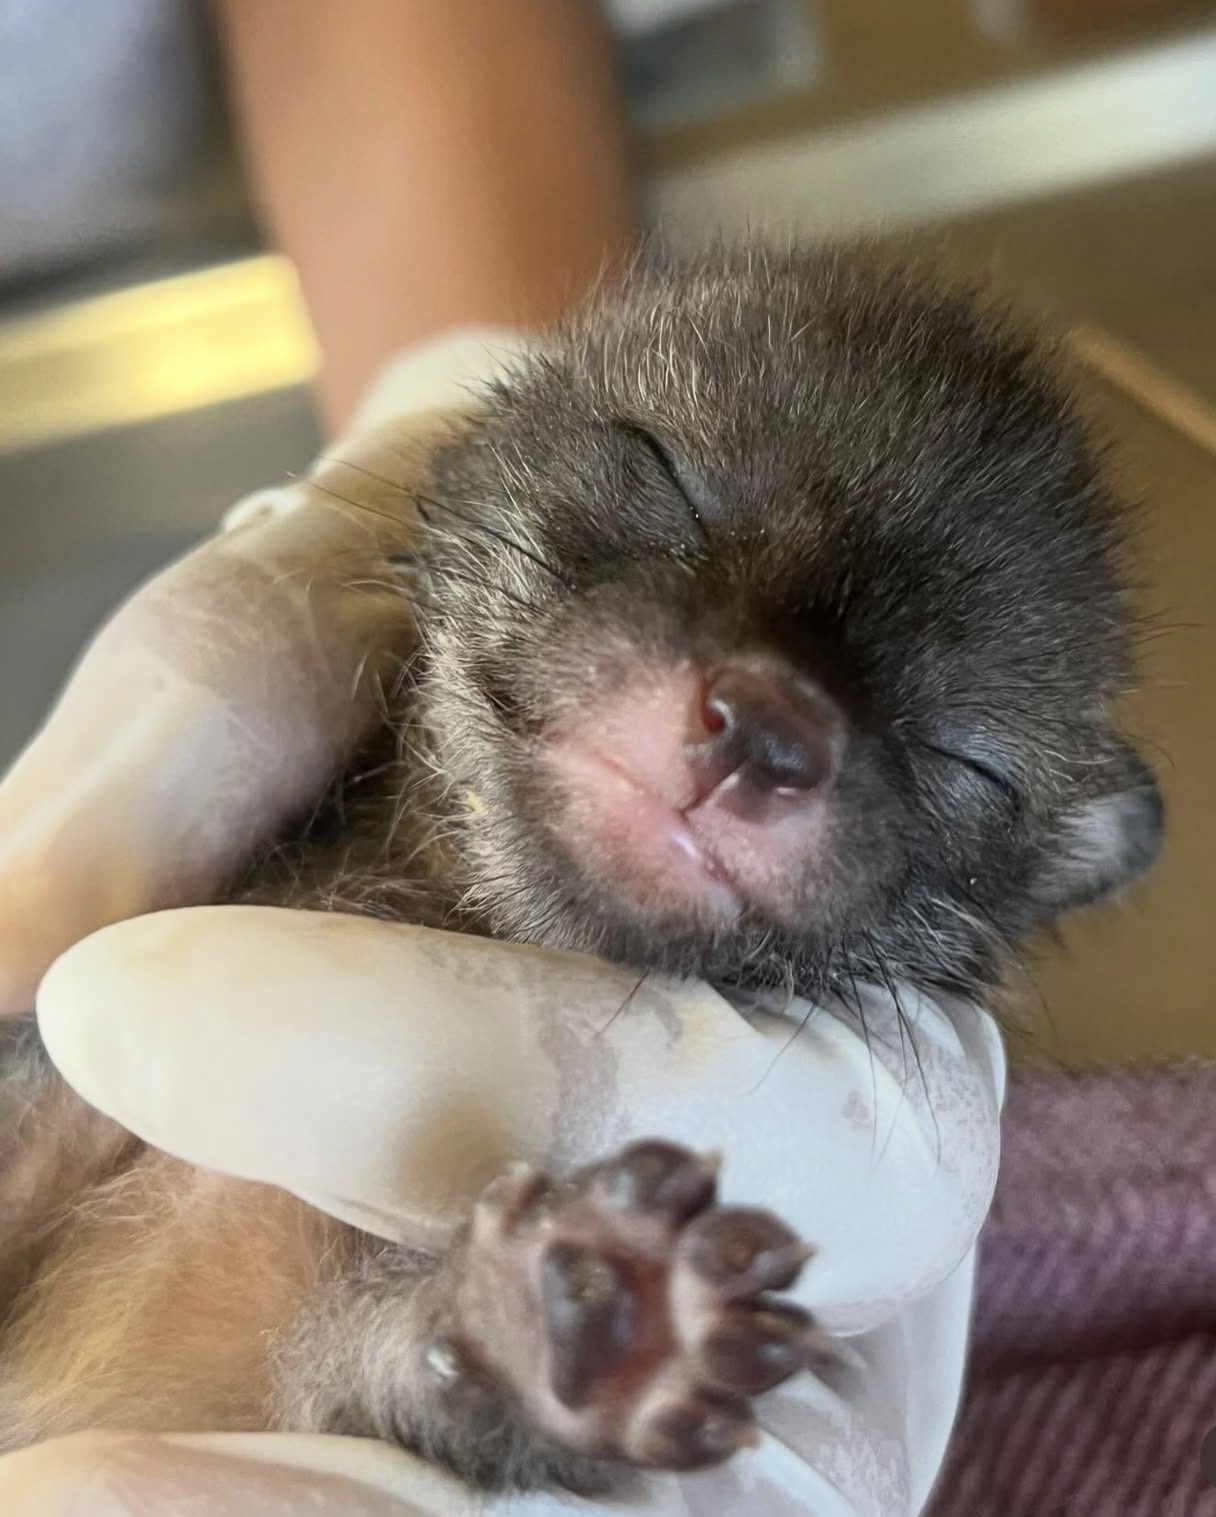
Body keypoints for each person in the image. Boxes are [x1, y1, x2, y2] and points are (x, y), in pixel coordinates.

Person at [0, 5, 1003, 1511]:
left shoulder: (658, 1104)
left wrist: (516, 1333)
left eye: (960, 763)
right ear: (477, 457)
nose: (768, 712)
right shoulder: (281, 762)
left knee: (424, 1341)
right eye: (662, 487)